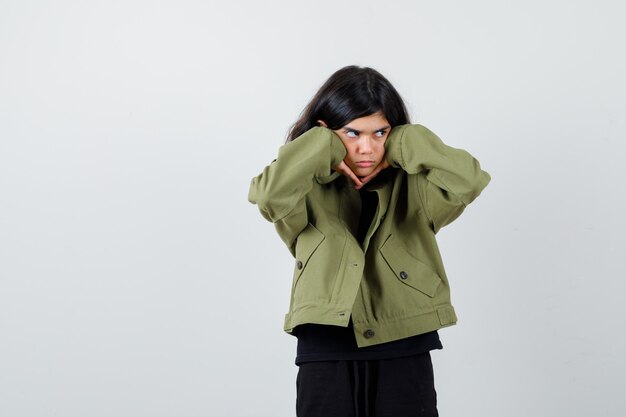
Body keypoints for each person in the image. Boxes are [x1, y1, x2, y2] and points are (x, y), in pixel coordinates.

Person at [248, 65, 491, 417]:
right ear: (327, 132)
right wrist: (321, 145)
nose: (366, 148)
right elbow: (268, 195)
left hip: (403, 340)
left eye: (380, 132)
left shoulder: (416, 187)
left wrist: (407, 141)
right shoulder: (303, 187)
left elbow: (469, 180)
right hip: (326, 342)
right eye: (351, 133)